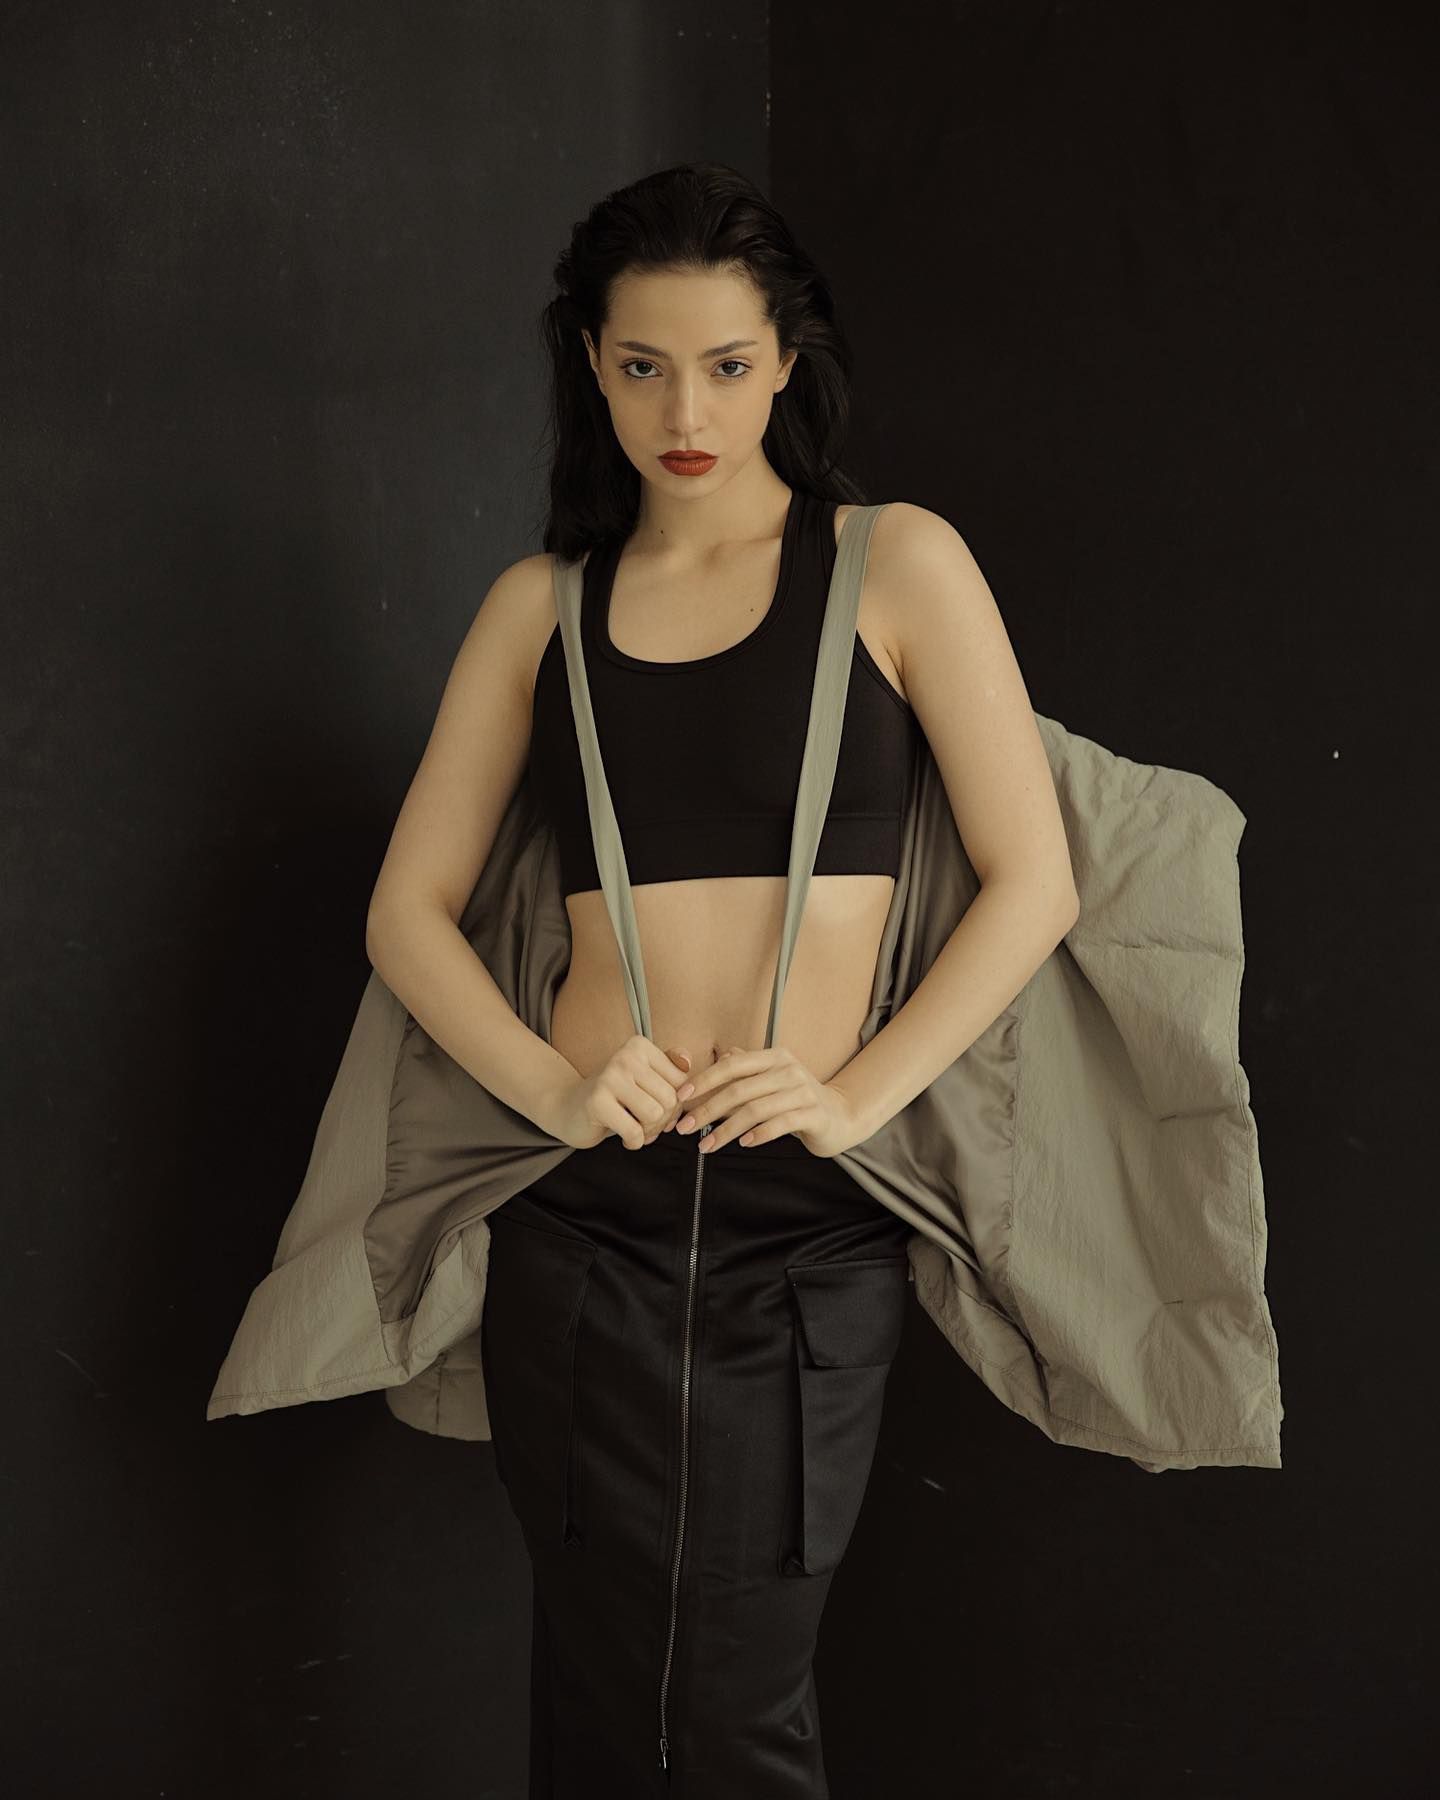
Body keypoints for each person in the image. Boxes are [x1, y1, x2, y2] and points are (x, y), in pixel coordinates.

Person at [362, 161, 1081, 1797]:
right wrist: (554, 1088)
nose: (685, 412)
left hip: (797, 1232)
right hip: (580, 1222)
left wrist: (856, 1097)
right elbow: (407, 910)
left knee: (729, 1708)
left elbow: (1035, 882)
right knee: (603, 1697)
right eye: (642, 367)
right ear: (590, 364)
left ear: (786, 361)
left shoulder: (895, 564)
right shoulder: (541, 608)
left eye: (726, 364)